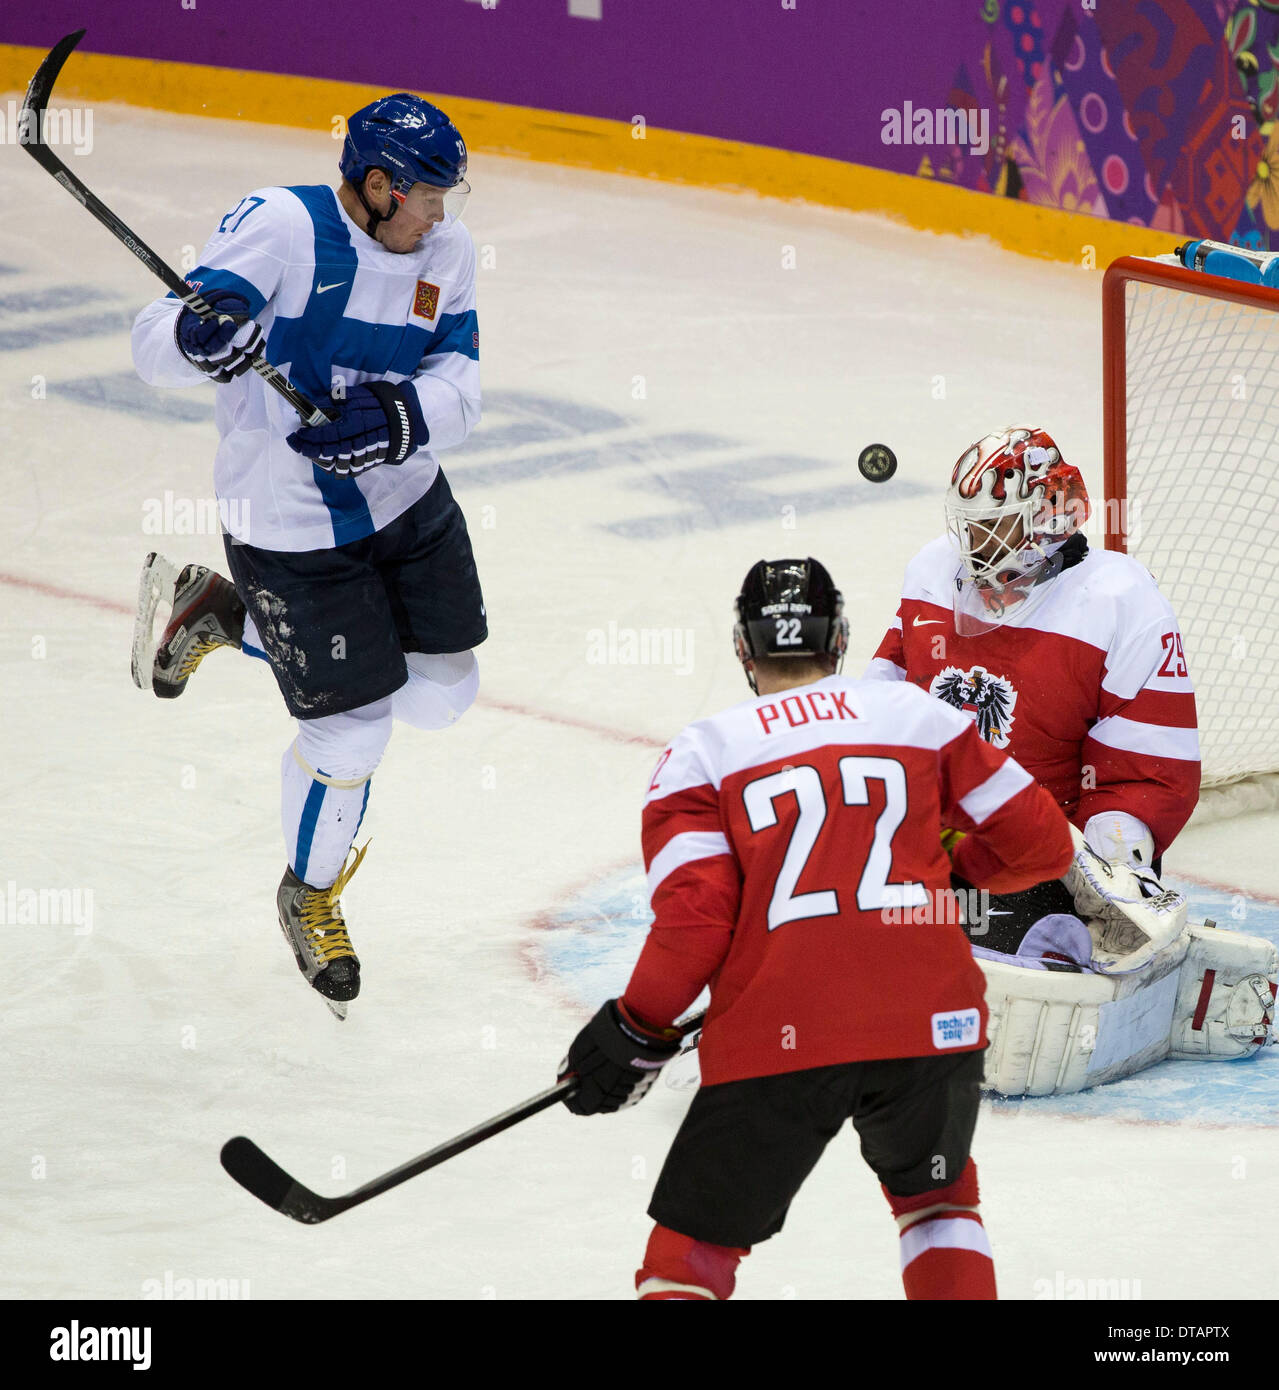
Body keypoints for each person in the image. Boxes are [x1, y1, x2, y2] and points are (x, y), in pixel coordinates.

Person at [558, 557, 1075, 1300]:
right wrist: (954, 868)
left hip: (780, 1031)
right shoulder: (919, 717)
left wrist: (637, 1027)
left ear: (743, 647)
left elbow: (697, 923)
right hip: (932, 1023)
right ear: (840, 642)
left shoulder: (702, 753)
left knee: (690, 1256)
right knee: (937, 1204)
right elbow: (1044, 846)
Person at [129, 93, 486, 1018]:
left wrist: (409, 415)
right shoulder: (283, 226)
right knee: (354, 732)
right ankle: (311, 889)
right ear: (378, 185)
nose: (442, 212)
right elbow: (152, 343)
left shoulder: (445, 254)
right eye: (428, 195)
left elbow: (462, 380)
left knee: (444, 696)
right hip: (289, 523)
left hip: (407, 500)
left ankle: (221, 616)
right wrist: (195, 338)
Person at [862, 429, 1275, 1095]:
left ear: (1044, 523)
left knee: (1025, 954)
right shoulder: (931, 570)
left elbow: (1143, 772)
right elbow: (880, 705)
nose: (971, 547)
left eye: (992, 529)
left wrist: (1110, 874)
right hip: (923, 835)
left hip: (1034, 854)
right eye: (969, 527)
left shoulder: (1119, 600)